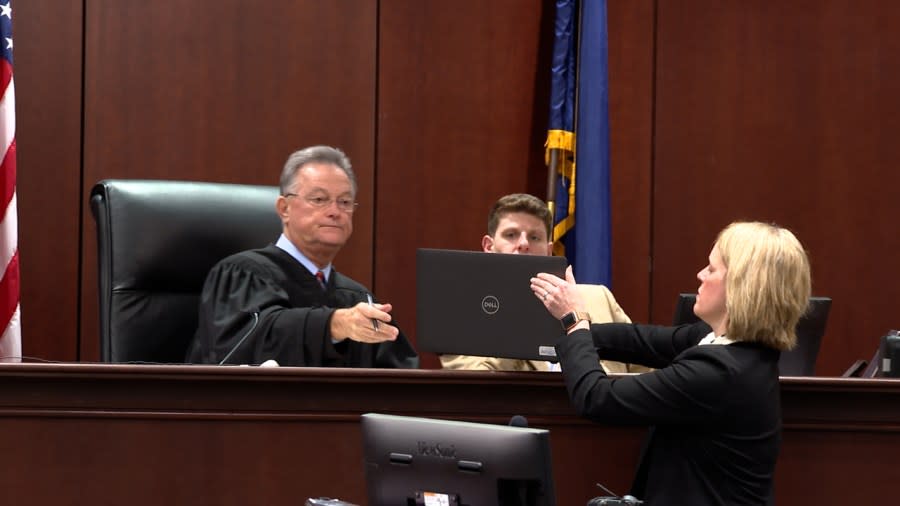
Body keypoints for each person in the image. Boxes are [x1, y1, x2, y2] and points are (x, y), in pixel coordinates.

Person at [531, 221, 811, 505]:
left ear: (741, 286)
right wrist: (576, 325)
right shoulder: (735, 347)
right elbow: (643, 341)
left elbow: (597, 398)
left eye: (712, 269)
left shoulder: (719, 372)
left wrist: (574, 322)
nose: (700, 274)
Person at [186, 145, 418, 368]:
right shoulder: (241, 274)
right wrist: (333, 325)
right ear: (284, 208)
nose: (335, 211)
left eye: (345, 202)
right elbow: (244, 347)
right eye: (319, 199)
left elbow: (399, 380)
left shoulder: (356, 298)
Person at [440, 193, 647, 373]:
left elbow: (645, 371)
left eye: (534, 237)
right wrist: (515, 310)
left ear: (549, 250)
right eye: (511, 235)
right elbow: (473, 387)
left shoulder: (598, 298)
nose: (523, 244)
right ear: (489, 246)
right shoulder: (463, 314)